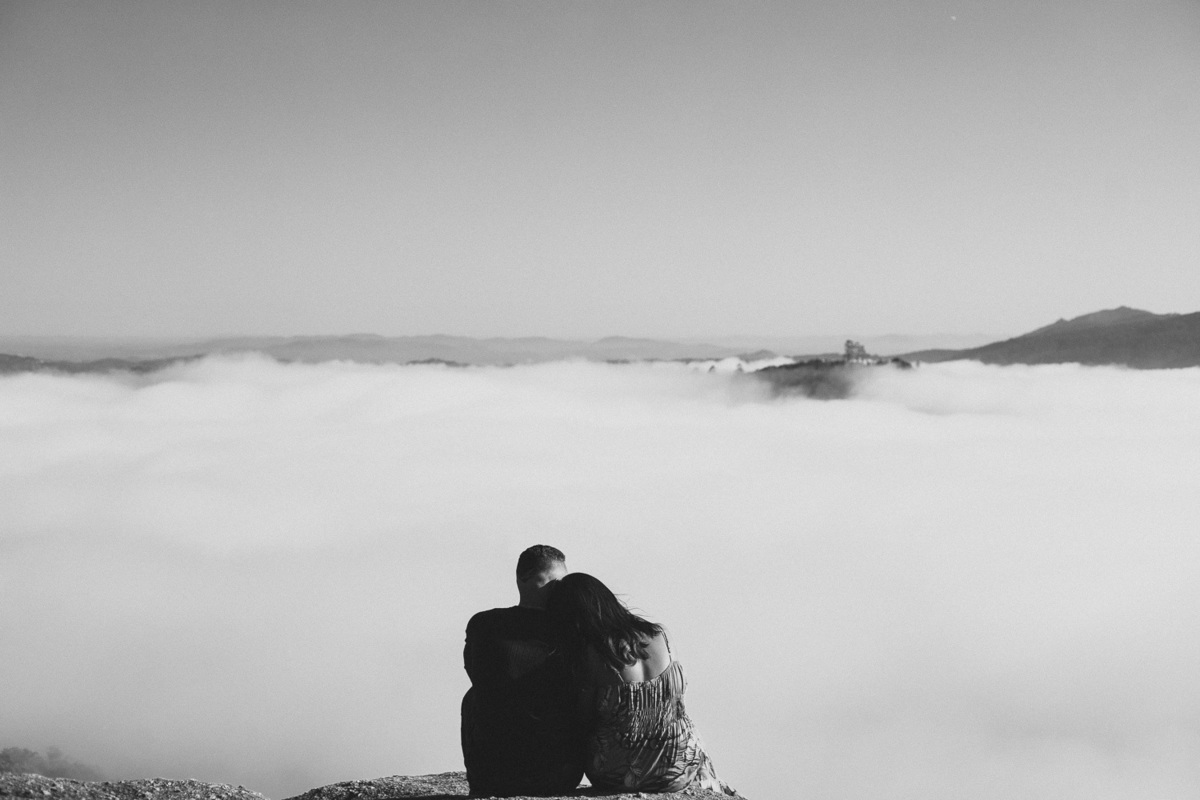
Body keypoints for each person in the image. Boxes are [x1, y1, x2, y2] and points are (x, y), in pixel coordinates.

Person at [545, 573, 735, 795]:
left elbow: (583, 719)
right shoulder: (661, 635)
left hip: (617, 775)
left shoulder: (590, 655)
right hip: (677, 769)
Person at [461, 545, 584, 797]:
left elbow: (476, 674)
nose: (557, 589)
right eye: (550, 580)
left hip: (493, 777)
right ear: (523, 578)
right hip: (557, 776)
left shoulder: (484, 623)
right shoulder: (569, 628)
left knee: (472, 697)